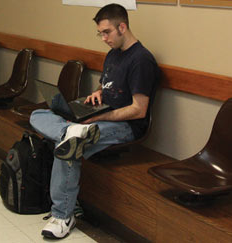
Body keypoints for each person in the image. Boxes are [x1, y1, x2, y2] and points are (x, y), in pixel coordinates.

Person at [30, 3, 160, 239]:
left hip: (125, 126)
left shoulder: (142, 60)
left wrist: (99, 117)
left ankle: (63, 216)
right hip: (98, 118)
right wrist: (97, 94)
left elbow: (139, 110)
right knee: (37, 114)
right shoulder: (113, 54)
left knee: (70, 147)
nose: (103, 38)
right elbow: (106, 86)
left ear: (122, 27)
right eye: (100, 33)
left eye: (106, 32)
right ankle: (69, 131)